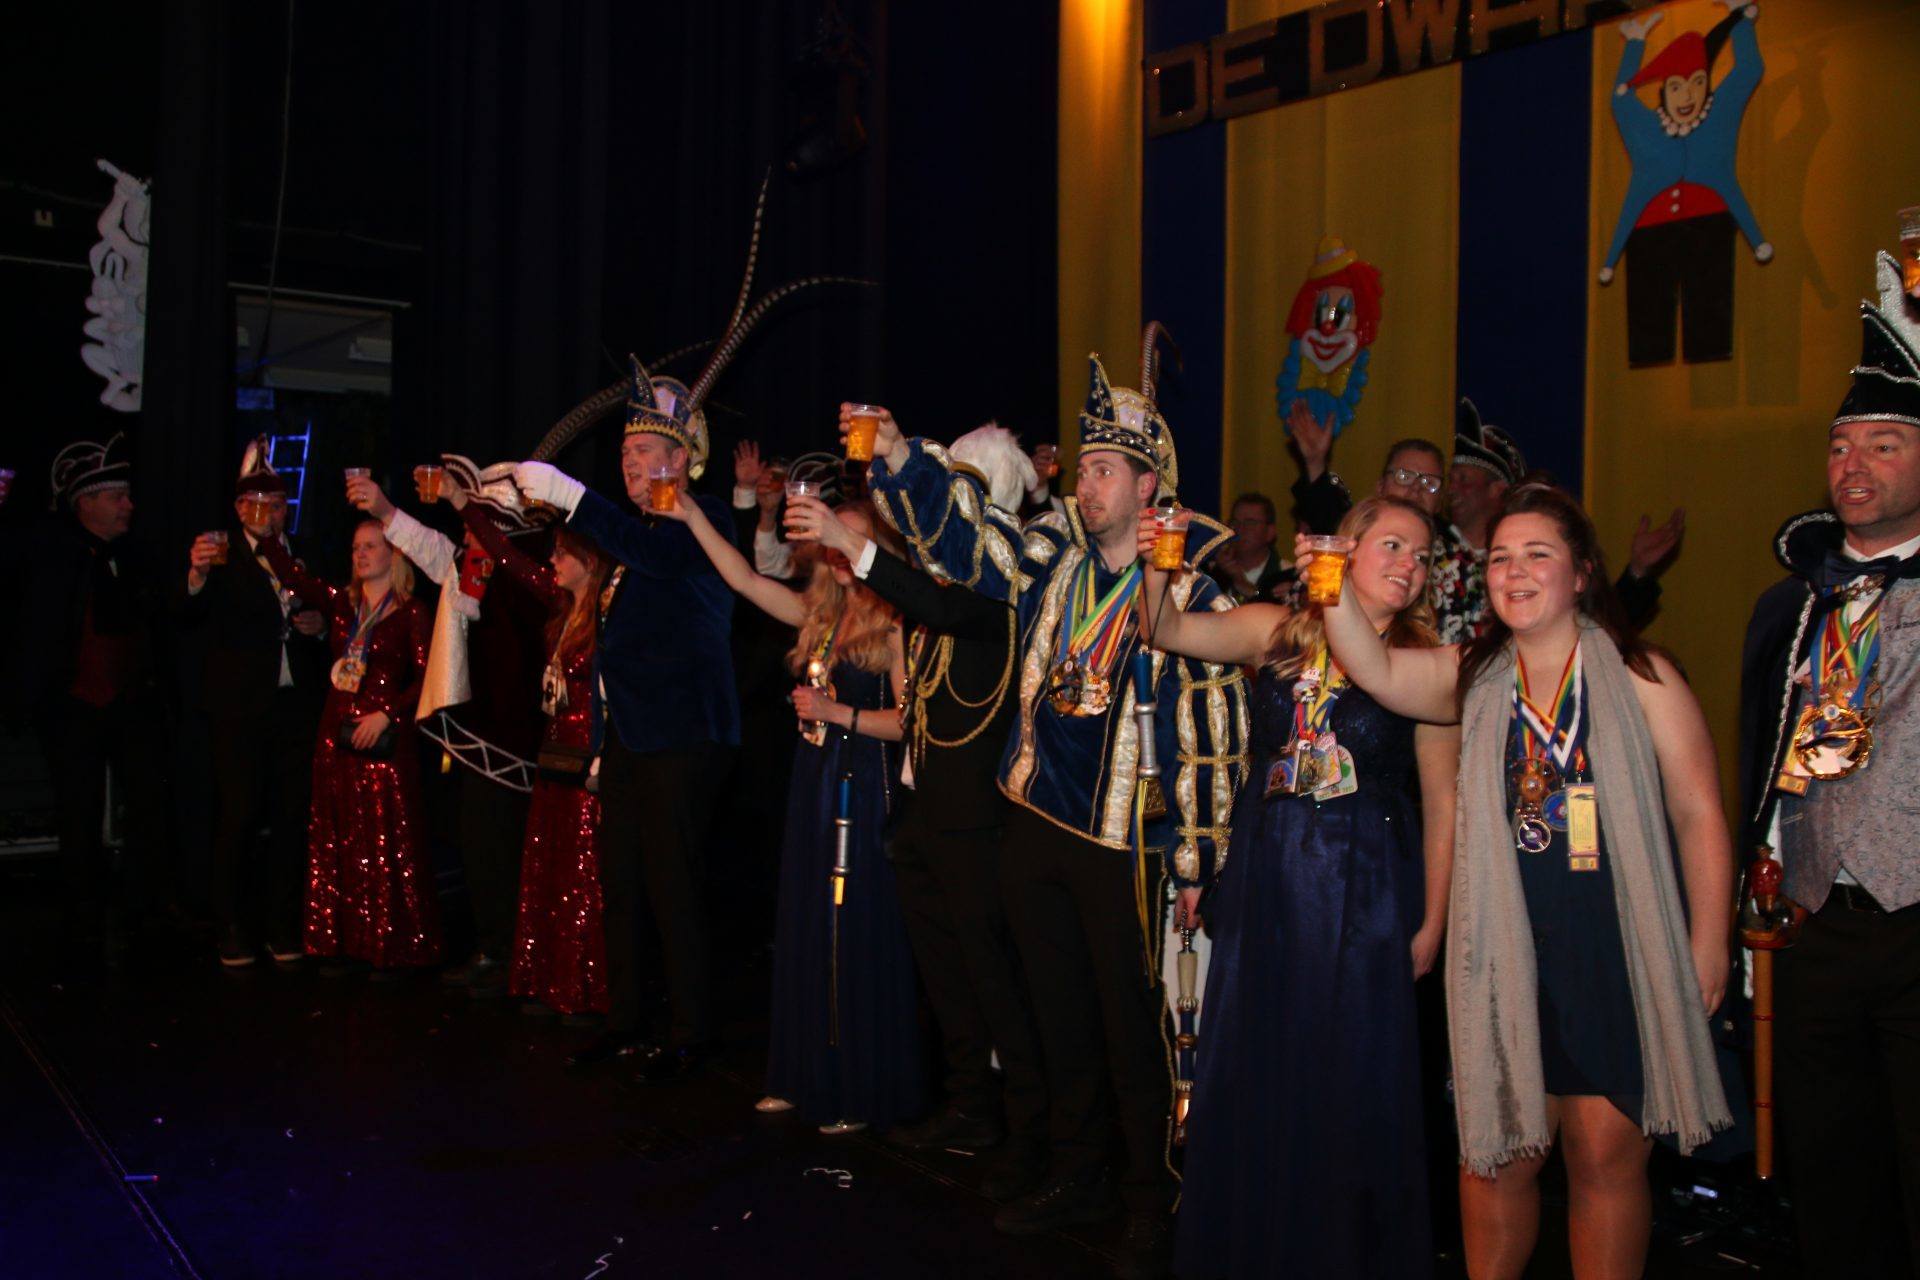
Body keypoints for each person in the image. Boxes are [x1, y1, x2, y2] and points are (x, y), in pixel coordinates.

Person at [860, 331, 1248, 1279]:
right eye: (1086, 466)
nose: (1088, 482)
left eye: (1109, 469)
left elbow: (1214, 738)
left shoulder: (1191, 593)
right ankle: (1077, 1176)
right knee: (1057, 1015)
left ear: (1149, 488)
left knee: (1133, 1031)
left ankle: (1151, 1198)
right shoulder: (1051, 563)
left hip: (1127, 847)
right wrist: (902, 458)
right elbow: (970, 546)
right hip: (1035, 826)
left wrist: (1198, 860)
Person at [1315, 482, 1733, 1280]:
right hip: (1504, 952)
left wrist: (1709, 945)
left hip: (1613, 947)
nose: (1514, 571)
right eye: (1500, 556)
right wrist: (1329, 574)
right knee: (1498, 1157)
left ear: (1582, 573)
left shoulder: (1642, 674)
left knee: (1602, 1156)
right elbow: (1372, 667)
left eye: (1538, 554)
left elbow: (1699, 812)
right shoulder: (1472, 675)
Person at [1146, 495, 1454, 1278]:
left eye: (1421, 556)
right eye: (1392, 545)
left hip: (1366, 890)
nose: (1409, 566)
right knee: (1258, 1069)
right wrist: (1158, 560)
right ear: (1345, 547)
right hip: (1268, 875)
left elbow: (1445, 802)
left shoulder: (1425, 661)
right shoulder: (1276, 630)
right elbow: (1165, 629)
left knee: (1347, 1079)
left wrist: (1432, 922)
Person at [788, 423, 1049, 1198]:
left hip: (977, 825)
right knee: (948, 977)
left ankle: (1029, 1134)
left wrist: (851, 540)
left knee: (994, 981)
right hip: (924, 814)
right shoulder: (939, 596)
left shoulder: (1002, 590)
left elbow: (931, 599)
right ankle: (970, 1108)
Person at [1739, 252, 1920, 1277]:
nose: (1855, 465)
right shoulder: (1791, 605)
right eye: (1841, 445)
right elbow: (1760, 761)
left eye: (1885, 445)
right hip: (1814, 927)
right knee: (1835, 1185)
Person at [663, 485, 924, 1134]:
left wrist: (838, 712)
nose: (837, 550)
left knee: (851, 929)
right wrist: (693, 514)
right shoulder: (821, 612)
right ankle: (799, 1075)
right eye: (832, 537)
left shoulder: (896, 619)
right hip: (814, 781)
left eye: (849, 538)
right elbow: (745, 581)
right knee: (807, 922)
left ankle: (857, 1088)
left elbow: (910, 724)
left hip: (864, 786)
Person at [512, 358, 739, 1082]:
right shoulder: (635, 536)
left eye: (643, 450)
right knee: (622, 885)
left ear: (681, 457)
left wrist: (570, 495)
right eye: (624, 453)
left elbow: (659, 558)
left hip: (685, 736)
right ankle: (627, 1021)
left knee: (674, 886)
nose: (630, 463)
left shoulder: (702, 522)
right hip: (631, 739)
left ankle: (692, 1032)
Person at [351, 460, 552, 999]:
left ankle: (512, 957)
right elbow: (435, 551)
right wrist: (385, 511)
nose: (466, 534)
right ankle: (495, 949)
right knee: (479, 846)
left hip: (513, 740)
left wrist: (463, 508)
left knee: (501, 850)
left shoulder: (524, 571)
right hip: (480, 739)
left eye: (477, 522)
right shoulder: (479, 564)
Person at [434, 474, 613, 1021]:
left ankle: (584, 987)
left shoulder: (607, 616)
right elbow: (509, 560)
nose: (552, 561)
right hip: (553, 748)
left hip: (587, 755)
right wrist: (468, 514)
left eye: (562, 553)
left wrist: (462, 503)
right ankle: (547, 977)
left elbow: (615, 692)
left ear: (588, 560)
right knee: (548, 865)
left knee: (582, 872)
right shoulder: (560, 607)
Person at [11, 432, 171, 955]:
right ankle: (82, 919)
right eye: (116, 497)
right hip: (72, 707)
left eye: (128, 495)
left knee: (147, 805)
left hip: (130, 706)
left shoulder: (138, 557)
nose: (128, 505)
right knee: (78, 814)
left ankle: (142, 910)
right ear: (86, 502)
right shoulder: (50, 556)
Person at [257, 520, 441, 973]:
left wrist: (387, 715)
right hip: (336, 734)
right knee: (338, 836)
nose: (360, 554)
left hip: (383, 740)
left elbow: (429, 678)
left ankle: (389, 944)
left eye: (371, 546)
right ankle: (340, 940)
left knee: (385, 839)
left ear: (395, 555)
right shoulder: (344, 604)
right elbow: (297, 578)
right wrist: (266, 537)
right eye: (356, 547)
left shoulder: (412, 612)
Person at [179, 439, 329, 967]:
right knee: (239, 815)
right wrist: (196, 576)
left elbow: (330, 613)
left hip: (294, 704)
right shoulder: (221, 554)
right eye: (259, 504)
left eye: (278, 504)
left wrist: (319, 626)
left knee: (291, 817)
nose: (269, 513)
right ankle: (231, 925)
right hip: (239, 707)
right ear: (240, 508)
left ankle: (282, 925)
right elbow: (189, 616)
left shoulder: (304, 552)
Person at [1202, 492, 1292, 604]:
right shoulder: (1209, 573)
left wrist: (1243, 584)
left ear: (1270, 532)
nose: (1240, 529)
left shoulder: (1287, 574)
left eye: (1250, 523)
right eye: (1235, 522)